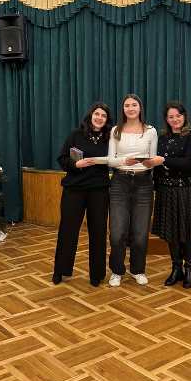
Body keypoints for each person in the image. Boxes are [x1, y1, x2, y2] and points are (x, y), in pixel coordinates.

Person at [52, 102, 113, 287]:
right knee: (67, 230)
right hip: (74, 189)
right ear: (90, 115)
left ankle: (97, 275)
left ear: (107, 120)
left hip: (99, 191)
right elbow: (62, 158)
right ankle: (60, 270)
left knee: (98, 232)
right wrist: (75, 164)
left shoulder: (110, 138)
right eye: (97, 114)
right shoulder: (76, 135)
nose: (99, 118)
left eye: (103, 115)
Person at [149, 101, 191, 288]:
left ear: (184, 116)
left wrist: (164, 160)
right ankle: (176, 268)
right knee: (171, 232)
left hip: (186, 190)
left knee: (188, 232)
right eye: (171, 117)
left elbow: (189, 163)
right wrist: (156, 183)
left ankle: (189, 269)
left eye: (178, 116)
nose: (175, 119)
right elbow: (157, 165)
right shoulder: (162, 137)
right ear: (166, 119)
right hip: (166, 190)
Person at [107, 94, 157, 287]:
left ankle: (138, 270)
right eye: (127, 105)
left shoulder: (151, 131)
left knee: (140, 232)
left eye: (134, 105)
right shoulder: (115, 130)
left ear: (140, 108)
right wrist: (124, 161)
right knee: (117, 232)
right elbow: (111, 160)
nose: (130, 108)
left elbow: (152, 159)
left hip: (144, 183)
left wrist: (151, 162)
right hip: (119, 182)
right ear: (123, 109)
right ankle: (117, 271)